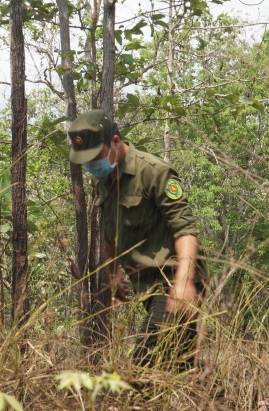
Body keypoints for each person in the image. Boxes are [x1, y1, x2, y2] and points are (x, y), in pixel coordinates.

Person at [67, 110, 205, 370]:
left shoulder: (154, 172)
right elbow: (111, 233)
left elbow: (185, 230)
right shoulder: (104, 182)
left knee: (144, 364)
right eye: (85, 161)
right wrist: (113, 273)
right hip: (147, 288)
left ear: (116, 142)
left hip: (172, 281)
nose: (92, 165)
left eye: (96, 157)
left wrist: (184, 283)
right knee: (181, 368)